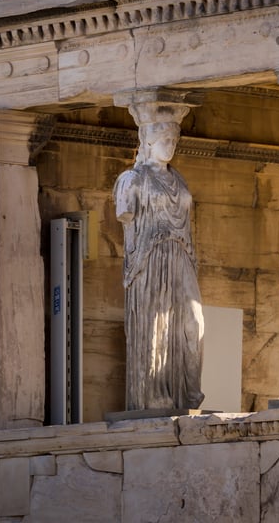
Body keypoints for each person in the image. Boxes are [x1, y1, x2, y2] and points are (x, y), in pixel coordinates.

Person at [114, 109, 205, 411]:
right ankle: (153, 395)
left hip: (181, 255)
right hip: (150, 260)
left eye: (174, 140)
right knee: (157, 327)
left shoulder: (178, 179)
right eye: (164, 139)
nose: (171, 145)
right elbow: (126, 218)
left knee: (194, 325)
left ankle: (188, 392)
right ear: (148, 141)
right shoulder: (132, 180)